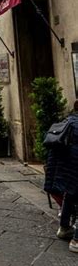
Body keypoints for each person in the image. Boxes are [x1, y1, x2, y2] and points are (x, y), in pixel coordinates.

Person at [44, 100, 78, 253]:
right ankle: (76, 241)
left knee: (70, 195)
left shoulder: (68, 121)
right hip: (74, 168)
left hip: (63, 169)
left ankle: (64, 228)